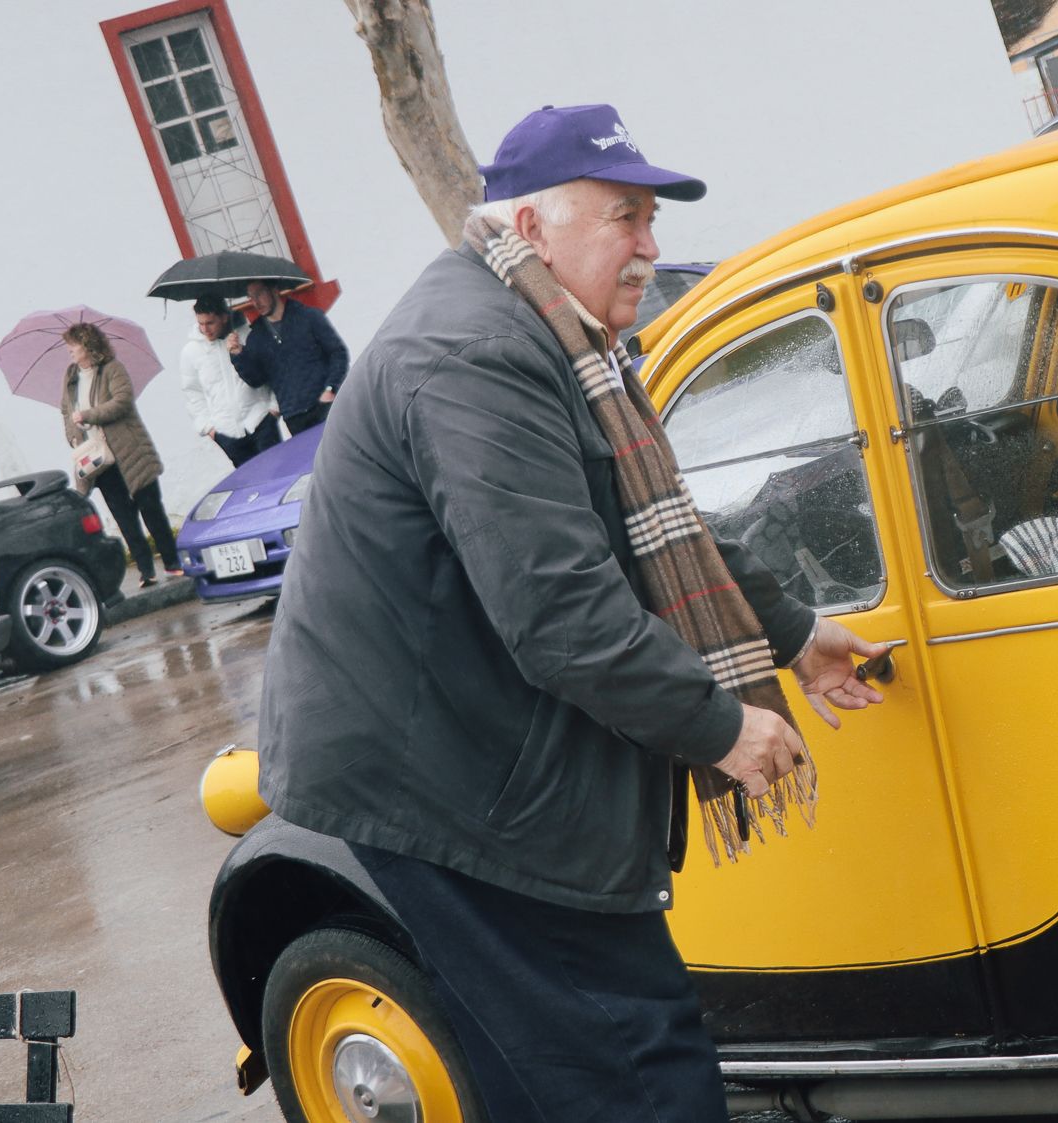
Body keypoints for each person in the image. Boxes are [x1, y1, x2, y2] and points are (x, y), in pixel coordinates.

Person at [254, 103, 889, 1121]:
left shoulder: (545, 331)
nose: (648, 246)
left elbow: (651, 527)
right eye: (623, 216)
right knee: (633, 1058)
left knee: (539, 1071)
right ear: (531, 226)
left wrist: (798, 634)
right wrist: (718, 725)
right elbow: (558, 610)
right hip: (446, 782)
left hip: (468, 748)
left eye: (651, 219)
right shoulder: (473, 353)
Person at [59, 323, 182, 588]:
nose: (69, 350)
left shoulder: (112, 369)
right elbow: (66, 412)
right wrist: (72, 435)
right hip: (99, 459)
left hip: (130, 451)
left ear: (88, 344)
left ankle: (173, 562)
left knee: (151, 508)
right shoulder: (70, 378)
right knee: (124, 517)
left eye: (73, 344)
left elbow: (123, 401)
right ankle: (146, 570)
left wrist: (89, 415)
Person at [228, 280, 348, 434]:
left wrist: (331, 388)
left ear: (275, 290)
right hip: (294, 415)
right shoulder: (256, 337)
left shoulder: (309, 317)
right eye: (251, 297)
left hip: (325, 404)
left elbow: (338, 353)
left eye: (259, 294)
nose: (256, 302)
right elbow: (256, 379)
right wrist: (238, 355)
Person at [177, 295, 282, 467]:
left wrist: (274, 408)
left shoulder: (248, 335)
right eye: (200, 323)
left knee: (279, 473)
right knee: (250, 487)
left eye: (210, 323)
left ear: (224, 317)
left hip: (261, 421)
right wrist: (208, 427)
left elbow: (272, 371)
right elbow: (192, 392)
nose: (205, 329)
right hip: (227, 431)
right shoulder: (191, 352)